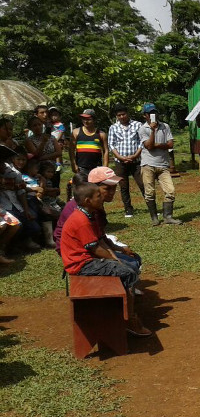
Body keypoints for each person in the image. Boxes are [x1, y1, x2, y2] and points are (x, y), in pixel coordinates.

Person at [59, 181, 151, 337]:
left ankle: (122, 309)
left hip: (87, 260)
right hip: (82, 265)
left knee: (126, 268)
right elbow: (95, 248)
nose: (102, 197)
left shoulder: (89, 214)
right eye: (98, 196)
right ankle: (128, 320)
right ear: (88, 201)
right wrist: (115, 261)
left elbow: (101, 240)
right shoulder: (81, 220)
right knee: (128, 273)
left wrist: (117, 255)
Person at [54, 168, 143, 279]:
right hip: (80, 254)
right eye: (107, 188)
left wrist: (119, 251)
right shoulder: (80, 212)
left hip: (91, 245)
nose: (112, 192)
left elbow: (100, 237)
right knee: (130, 265)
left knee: (134, 260)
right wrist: (115, 259)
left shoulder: (93, 206)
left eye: (114, 188)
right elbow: (92, 246)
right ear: (93, 187)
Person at [138, 103, 181, 226]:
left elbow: (170, 144)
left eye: (155, 112)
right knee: (149, 192)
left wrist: (156, 145)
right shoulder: (143, 129)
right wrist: (152, 131)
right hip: (148, 164)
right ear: (145, 115)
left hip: (163, 165)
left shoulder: (165, 126)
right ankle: (154, 218)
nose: (153, 115)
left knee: (170, 190)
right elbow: (149, 146)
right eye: (150, 113)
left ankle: (168, 216)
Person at [0, 146, 42, 251]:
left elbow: (21, 192)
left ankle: (20, 242)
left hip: (14, 205)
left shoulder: (14, 173)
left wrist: (26, 210)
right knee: (17, 225)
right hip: (3, 207)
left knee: (34, 227)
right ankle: (8, 246)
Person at [108, 104, 145, 217]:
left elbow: (142, 142)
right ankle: (128, 209)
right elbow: (111, 144)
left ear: (128, 113)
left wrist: (135, 155)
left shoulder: (138, 125)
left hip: (136, 161)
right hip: (120, 162)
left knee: (143, 184)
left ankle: (151, 206)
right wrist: (120, 157)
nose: (122, 117)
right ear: (116, 116)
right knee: (123, 186)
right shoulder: (113, 127)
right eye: (119, 115)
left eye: (123, 114)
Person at [70, 109, 108, 176]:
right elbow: (71, 150)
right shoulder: (76, 132)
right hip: (81, 167)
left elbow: (106, 151)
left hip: (97, 168)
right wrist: (73, 164)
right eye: (83, 119)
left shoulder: (101, 134)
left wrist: (105, 166)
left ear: (94, 120)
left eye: (88, 119)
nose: (85, 121)